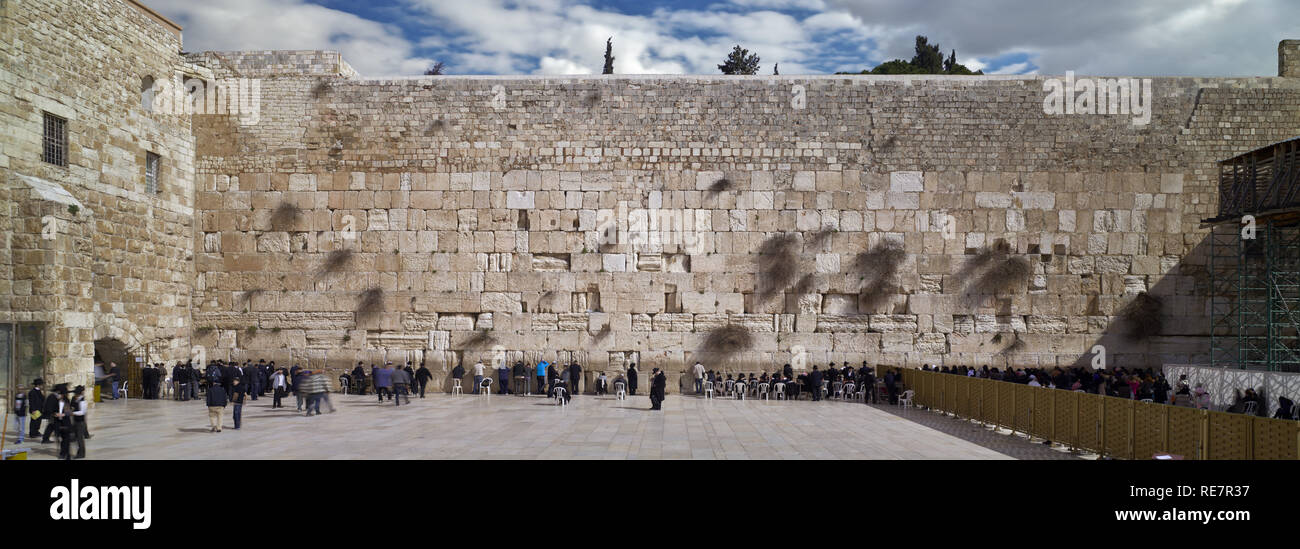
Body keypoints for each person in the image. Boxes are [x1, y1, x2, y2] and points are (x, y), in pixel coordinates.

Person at [69, 386, 88, 459]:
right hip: (75, 421)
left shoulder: (83, 401)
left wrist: (73, 413)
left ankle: (81, 454)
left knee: (80, 439)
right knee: (76, 437)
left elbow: (82, 412)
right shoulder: (74, 399)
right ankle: (79, 452)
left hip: (80, 422)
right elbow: (72, 407)